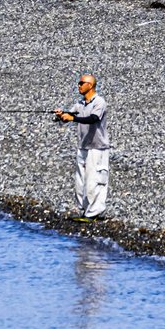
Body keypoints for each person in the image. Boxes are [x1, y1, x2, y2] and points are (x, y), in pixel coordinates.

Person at [57, 72, 110, 221]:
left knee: (95, 180)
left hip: (98, 147)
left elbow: (92, 119)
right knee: (80, 182)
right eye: (79, 83)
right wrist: (62, 115)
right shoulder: (80, 104)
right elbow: (70, 116)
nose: (78, 86)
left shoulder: (99, 102)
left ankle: (94, 213)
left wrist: (72, 117)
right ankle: (85, 210)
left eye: (81, 83)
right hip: (83, 146)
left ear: (90, 85)